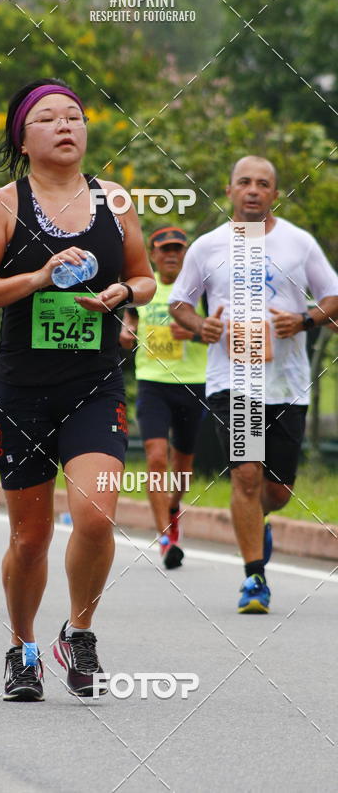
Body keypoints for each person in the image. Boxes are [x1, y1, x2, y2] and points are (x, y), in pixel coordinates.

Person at [0, 78, 156, 701]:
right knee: (30, 537)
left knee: (96, 514)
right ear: (24, 136)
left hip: (94, 384)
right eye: (48, 118)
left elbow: (146, 279)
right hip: (21, 390)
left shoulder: (116, 201)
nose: (66, 126)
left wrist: (124, 294)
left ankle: (80, 632)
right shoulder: (3, 206)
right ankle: (22, 648)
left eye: (75, 116)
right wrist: (39, 276)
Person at [169, 155, 338, 613]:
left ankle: (258, 521)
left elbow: (332, 296)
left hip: (288, 383)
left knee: (276, 491)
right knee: (245, 474)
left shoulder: (298, 244)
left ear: (274, 194)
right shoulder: (207, 246)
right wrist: (201, 325)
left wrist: (303, 321)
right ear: (229, 190)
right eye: (244, 181)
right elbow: (179, 302)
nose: (253, 190)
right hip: (233, 381)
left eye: (263, 184)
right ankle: (254, 579)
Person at [120, 226, 207, 569]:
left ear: (185, 255)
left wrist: (196, 332)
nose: (171, 255)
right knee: (156, 457)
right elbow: (128, 322)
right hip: (152, 383)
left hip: (193, 383)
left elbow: (219, 333)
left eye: (177, 250)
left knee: (182, 465)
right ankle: (166, 539)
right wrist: (125, 333)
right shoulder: (144, 289)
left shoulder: (199, 290)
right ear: (153, 255)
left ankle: (173, 506)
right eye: (164, 249)